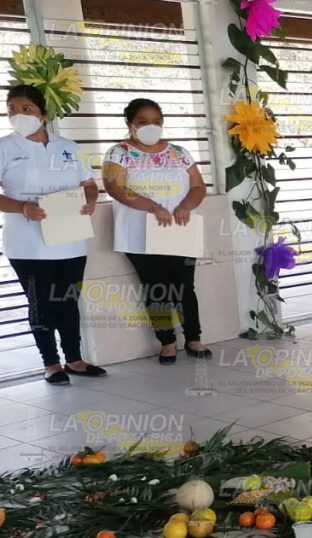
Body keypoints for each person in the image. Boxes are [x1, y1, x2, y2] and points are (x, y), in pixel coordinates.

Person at [0, 85, 104, 384]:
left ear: (43, 114)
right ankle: (51, 363)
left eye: (27, 109)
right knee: (41, 304)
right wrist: (21, 206)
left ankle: (75, 359)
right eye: (12, 111)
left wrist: (92, 200)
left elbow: (89, 184)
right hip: (28, 243)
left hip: (70, 238)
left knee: (69, 301)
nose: (19, 116)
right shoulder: (4, 147)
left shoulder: (68, 146)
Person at [104, 98, 210, 366]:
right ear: (130, 124)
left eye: (156, 121)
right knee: (157, 289)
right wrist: (152, 206)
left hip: (178, 230)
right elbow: (116, 188)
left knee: (185, 286)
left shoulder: (180, 153)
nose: (150, 126)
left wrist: (186, 205)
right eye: (142, 121)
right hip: (140, 235)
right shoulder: (119, 152)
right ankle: (167, 342)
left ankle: (193, 338)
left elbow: (198, 187)